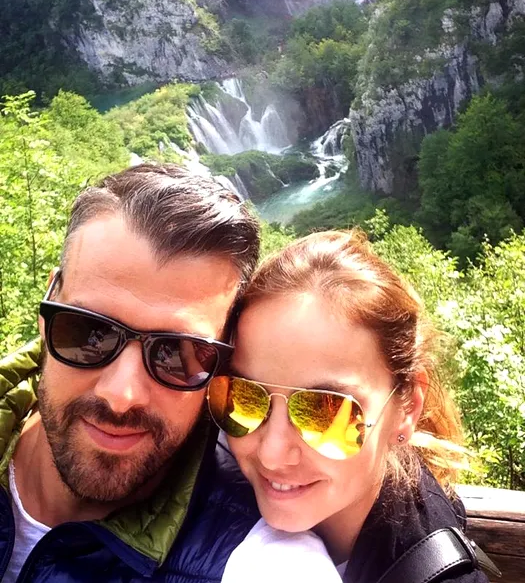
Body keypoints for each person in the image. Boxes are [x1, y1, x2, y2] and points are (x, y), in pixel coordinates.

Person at [0, 162, 262, 582]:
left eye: (175, 352)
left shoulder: (252, 559)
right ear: (47, 312)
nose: (121, 395)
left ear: (224, 362)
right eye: (90, 331)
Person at [208, 230, 491, 583]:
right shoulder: (201, 469)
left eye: (326, 412)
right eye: (244, 398)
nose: (272, 454)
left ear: (406, 410)